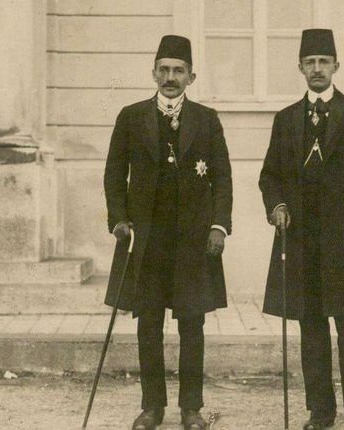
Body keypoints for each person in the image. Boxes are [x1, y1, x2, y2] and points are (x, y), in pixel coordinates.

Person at [259, 29, 344, 430]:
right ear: (300, 68)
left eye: (323, 61)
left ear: (336, 65)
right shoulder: (285, 119)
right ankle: (320, 412)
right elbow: (269, 176)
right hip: (302, 241)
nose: (317, 69)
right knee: (311, 330)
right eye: (310, 62)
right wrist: (277, 206)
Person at [103, 35, 233, 430]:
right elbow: (114, 174)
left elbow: (223, 178)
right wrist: (119, 219)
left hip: (193, 240)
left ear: (191, 76)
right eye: (164, 70)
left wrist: (219, 225)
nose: (170, 77)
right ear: (154, 73)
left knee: (193, 324)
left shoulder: (206, 119)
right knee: (148, 325)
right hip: (148, 240)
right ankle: (152, 407)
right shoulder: (131, 117)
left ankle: (191, 407)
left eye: (178, 71)